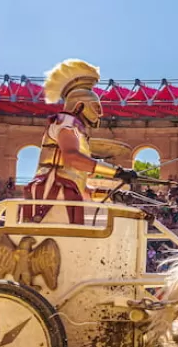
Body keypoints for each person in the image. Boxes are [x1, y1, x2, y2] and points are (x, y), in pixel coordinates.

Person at [22, 59, 138, 224]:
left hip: (63, 191)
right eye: (96, 107)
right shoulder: (66, 121)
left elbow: (82, 186)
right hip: (52, 193)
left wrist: (109, 194)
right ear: (79, 106)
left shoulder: (77, 132)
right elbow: (72, 158)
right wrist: (116, 171)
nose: (101, 113)